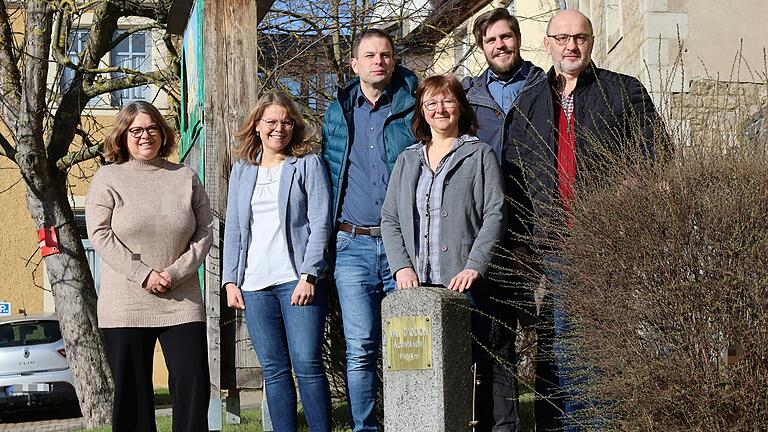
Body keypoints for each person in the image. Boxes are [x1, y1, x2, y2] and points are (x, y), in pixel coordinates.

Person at [513, 9, 668, 430]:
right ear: (547, 44)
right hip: (548, 241)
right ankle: (563, 422)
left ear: (592, 42)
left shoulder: (622, 91)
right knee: (555, 339)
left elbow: (658, 155)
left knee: (588, 338)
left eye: (579, 37)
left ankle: (590, 423)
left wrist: (633, 187)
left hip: (603, 237)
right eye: (562, 38)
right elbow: (515, 173)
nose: (571, 46)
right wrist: (520, 242)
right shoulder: (528, 102)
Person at [380, 74, 505, 432]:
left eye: (447, 101)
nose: (440, 109)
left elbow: (495, 212)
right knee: (423, 373)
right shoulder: (408, 160)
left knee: (474, 371)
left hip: (463, 284)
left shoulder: (478, 153)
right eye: (431, 103)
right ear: (422, 111)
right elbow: (390, 218)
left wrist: (474, 266)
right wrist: (402, 266)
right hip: (417, 286)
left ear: (460, 107)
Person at [85, 101, 213, 432]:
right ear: (123, 136)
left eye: (152, 128)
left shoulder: (185, 177)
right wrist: (144, 275)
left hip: (181, 302)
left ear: (163, 132)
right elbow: (99, 234)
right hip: (125, 305)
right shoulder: (108, 177)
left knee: (193, 390)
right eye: (137, 130)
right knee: (133, 400)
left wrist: (173, 274)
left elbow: (204, 232)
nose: (146, 136)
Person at [321, 28, 418, 432]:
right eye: (371, 55)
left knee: (408, 347)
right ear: (354, 63)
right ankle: (366, 427)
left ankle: (410, 421)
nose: (379, 61)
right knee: (360, 346)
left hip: (403, 245)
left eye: (386, 55)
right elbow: (327, 173)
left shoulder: (413, 105)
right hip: (352, 245)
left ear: (394, 60)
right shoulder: (338, 111)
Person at [222, 91, 333, 432]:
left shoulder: (307, 163)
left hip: (296, 281)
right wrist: (230, 281)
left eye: (286, 122)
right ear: (257, 126)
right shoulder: (242, 171)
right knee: (273, 369)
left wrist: (309, 275)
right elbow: (236, 229)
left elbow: (321, 222)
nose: (279, 128)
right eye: (271, 121)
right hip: (255, 285)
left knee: (307, 364)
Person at [462, 8, 549, 431]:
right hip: (485, 230)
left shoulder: (544, 85)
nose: (500, 45)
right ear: (482, 47)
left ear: (518, 39)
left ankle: (552, 421)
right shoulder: (467, 94)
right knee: (493, 339)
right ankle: (499, 425)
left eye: (506, 37)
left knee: (545, 333)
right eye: (492, 40)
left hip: (538, 225)